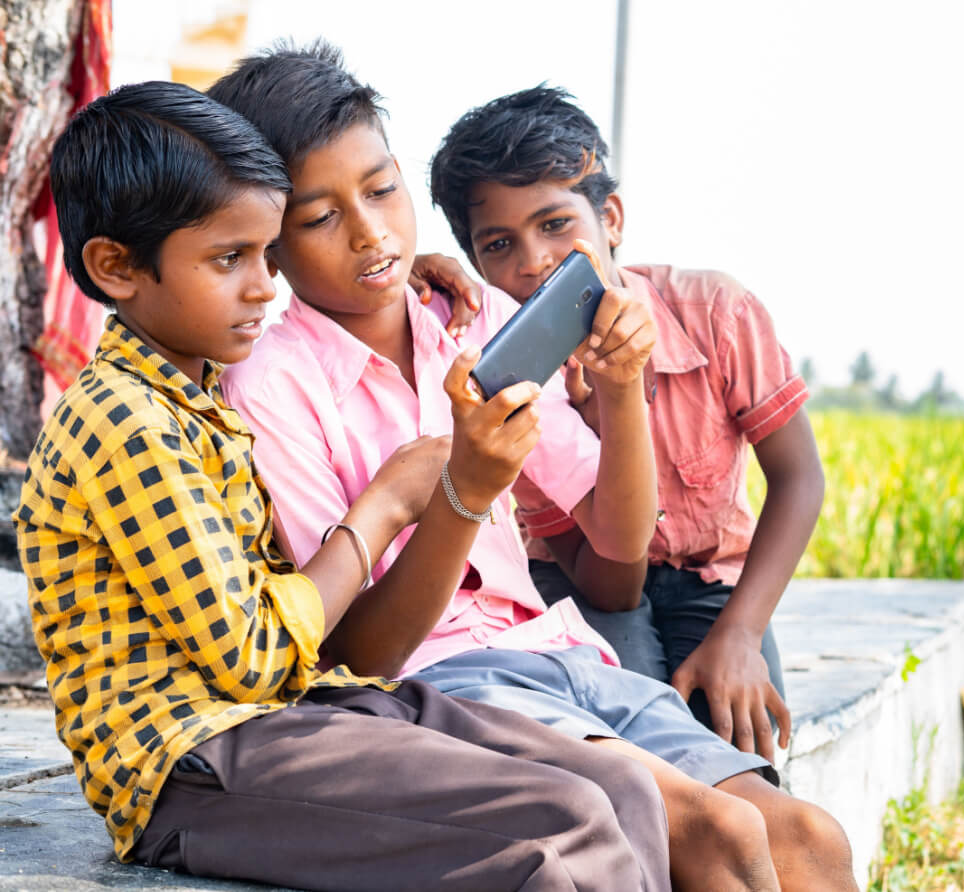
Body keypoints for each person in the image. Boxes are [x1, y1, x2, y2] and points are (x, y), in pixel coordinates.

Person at [211, 41, 855, 892]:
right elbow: (357, 652)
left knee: (807, 836)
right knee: (715, 831)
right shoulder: (273, 382)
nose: (371, 234)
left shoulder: (468, 323)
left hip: (558, 650)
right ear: (270, 241)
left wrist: (621, 391)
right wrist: (459, 496)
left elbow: (619, 550)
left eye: (380, 190)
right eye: (319, 218)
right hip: (435, 683)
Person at [14, 80, 673, 892]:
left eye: (265, 252)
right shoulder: (126, 421)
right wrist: (389, 504)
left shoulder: (191, 391)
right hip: (192, 765)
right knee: (555, 828)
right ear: (116, 267)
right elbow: (253, 657)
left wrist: (411, 281)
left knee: (622, 787)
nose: (265, 287)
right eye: (232, 259)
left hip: (307, 710)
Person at [428, 86, 826, 761]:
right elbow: (613, 583)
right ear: (477, 265)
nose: (533, 261)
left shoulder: (715, 311)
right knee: (643, 755)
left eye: (556, 224)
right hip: (585, 581)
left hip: (714, 583)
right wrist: (611, 398)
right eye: (499, 244)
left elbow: (799, 479)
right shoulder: (509, 383)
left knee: (740, 750)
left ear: (610, 217)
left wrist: (740, 635)